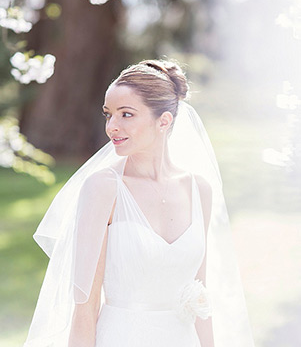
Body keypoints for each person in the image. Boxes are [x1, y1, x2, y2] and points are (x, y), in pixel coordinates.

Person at [23, 59, 255, 347]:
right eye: (108, 114)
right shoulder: (103, 189)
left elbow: (200, 298)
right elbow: (85, 308)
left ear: (164, 121)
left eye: (126, 114)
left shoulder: (199, 191)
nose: (112, 127)